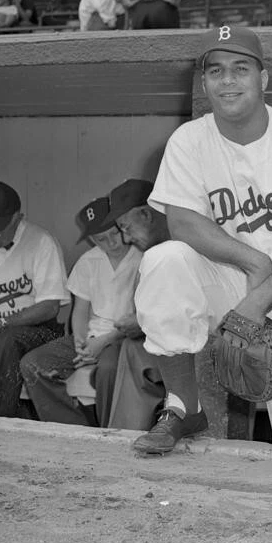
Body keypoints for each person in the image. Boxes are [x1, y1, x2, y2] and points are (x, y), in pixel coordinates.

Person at [130, 25, 272, 454]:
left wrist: (264, 293)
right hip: (228, 280)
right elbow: (181, 221)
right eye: (216, 71)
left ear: (264, 78)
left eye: (241, 68)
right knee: (165, 260)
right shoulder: (189, 139)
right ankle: (184, 406)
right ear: (205, 83)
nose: (228, 80)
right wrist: (253, 262)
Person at [20, 197, 142, 427]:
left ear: (123, 225)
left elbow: (139, 320)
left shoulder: (142, 255)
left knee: (108, 369)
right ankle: (72, 429)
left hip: (126, 337)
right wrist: (79, 341)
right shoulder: (89, 261)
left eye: (114, 234)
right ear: (91, 239)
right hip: (93, 334)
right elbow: (80, 311)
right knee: (33, 364)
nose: (111, 243)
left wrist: (102, 343)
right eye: (100, 239)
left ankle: (110, 432)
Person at [0, 181, 69, 417]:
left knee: (7, 340)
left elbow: (49, 307)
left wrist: (0, 323)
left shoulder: (41, 242)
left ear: (17, 218)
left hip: (39, 331)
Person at [103, 179, 171, 431]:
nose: (125, 237)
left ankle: (124, 439)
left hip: (209, 350)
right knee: (130, 349)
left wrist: (143, 322)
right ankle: (124, 436)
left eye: (125, 227)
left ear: (146, 213)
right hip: (171, 348)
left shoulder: (185, 242)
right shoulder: (151, 254)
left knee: (134, 351)